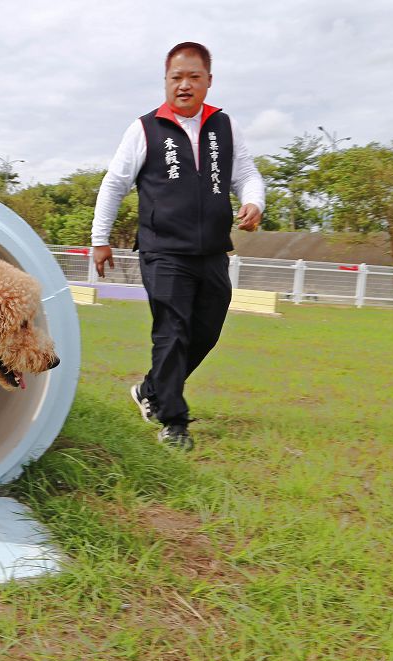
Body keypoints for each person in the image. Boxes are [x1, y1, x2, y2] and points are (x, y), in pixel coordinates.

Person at [90, 42, 265, 451]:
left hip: (212, 252)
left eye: (194, 77)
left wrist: (255, 201)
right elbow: (114, 184)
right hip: (163, 250)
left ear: (208, 81)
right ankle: (173, 421)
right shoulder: (145, 128)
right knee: (172, 330)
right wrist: (100, 240)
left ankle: (151, 389)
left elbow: (248, 175)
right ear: (166, 81)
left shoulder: (225, 126)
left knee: (206, 329)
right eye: (176, 78)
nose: (184, 85)